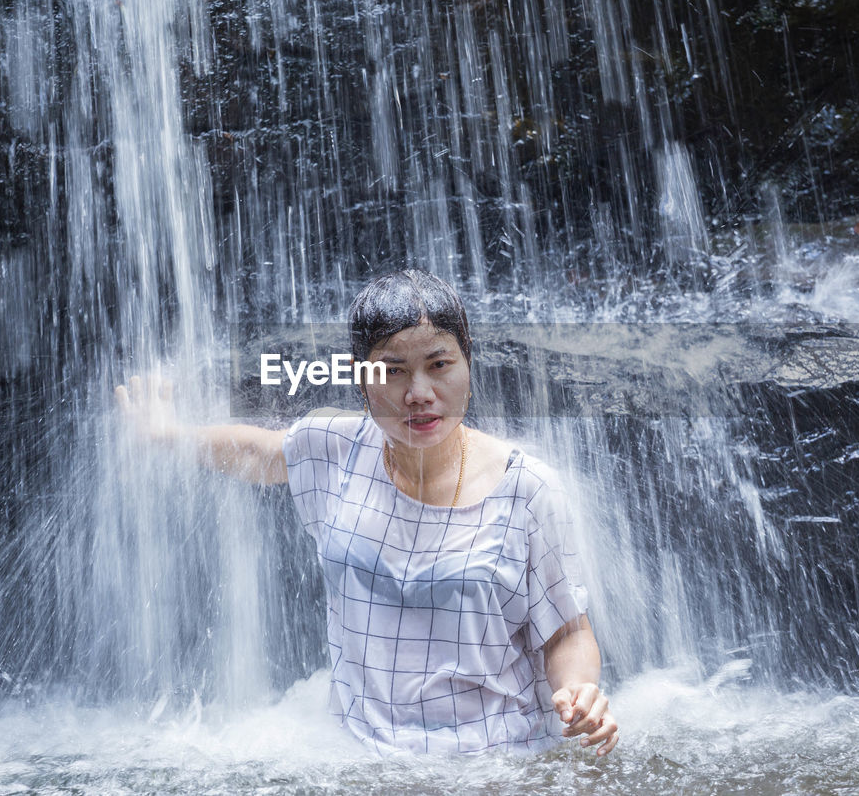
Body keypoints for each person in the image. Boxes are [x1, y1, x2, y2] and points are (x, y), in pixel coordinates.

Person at [115, 269, 618, 757]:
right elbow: (258, 453)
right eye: (393, 369)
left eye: (439, 365)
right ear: (362, 378)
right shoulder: (336, 448)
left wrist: (579, 693)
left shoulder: (528, 490)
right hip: (360, 756)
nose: (418, 392)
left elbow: (567, 632)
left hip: (491, 759)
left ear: (468, 364)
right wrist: (170, 437)